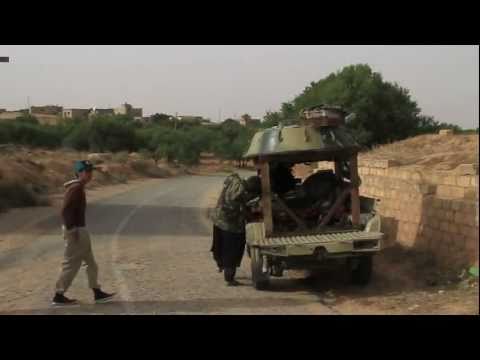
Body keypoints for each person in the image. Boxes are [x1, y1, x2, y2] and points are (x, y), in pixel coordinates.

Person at [52, 160, 115, 306]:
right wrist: (71, 230)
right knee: (71, 264)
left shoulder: (78, 187)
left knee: (91, 264)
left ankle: (97, 293)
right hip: (76, 230)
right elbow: (66, 211)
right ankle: (58, 295)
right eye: (87, 172)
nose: (90, 175)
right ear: (79, 173)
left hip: (80, 230)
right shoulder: (76, 188)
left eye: (90, 172)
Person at [210, 174, 261, 286]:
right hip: (231, 227)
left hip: (218, 220)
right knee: (232, 251)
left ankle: (222, 266)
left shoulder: (234, 180)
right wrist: (252, 215)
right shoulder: (241, 193)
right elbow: (240, 209)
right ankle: (229, 278)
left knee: (220, 246)